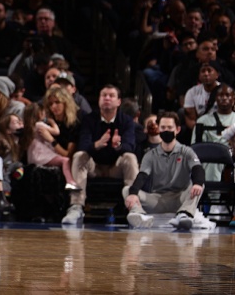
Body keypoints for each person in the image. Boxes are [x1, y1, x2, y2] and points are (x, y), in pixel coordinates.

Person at [62, 85, 139, 225]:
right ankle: (76, 206)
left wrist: (118, 146)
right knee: (79, 156)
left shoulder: (126, 121)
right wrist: (97, 144)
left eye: (111, 95)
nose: (107, 98)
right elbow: (83, 145)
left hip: (115, 167)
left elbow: (130, 146)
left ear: (119, 101)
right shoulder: (89, 119)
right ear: (99, 100)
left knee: (130, 157)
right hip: (95, 167)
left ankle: (134, 206)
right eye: (104, 95)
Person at [123, 111, 204, 230]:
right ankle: (139, 214)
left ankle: (184, 214)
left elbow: (198, 169)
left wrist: (198, 183)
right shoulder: (150, 155)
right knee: (127, 190)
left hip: (180, 199)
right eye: (163, 127)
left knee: (198, 185)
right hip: (157, 200)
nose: (166, 130)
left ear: (177, 129)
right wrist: (133, 194)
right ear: (159, 129)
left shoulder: (186, 151)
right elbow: (142, 176)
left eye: (170, 128)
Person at [22, 103, 80, 190]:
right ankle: (70, 181)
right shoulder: (39, 125)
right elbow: (56, 132)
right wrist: (52, 122)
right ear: (38, 114)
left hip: (34, 155)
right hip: (41, 154)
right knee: (65, 160)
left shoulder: (30, 127)